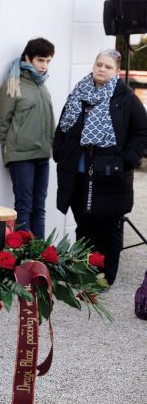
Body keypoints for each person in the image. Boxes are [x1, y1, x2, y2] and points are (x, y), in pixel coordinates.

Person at [53, 49, 147, 286]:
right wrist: (59, 151)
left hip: (110, 175)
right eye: (99, 64)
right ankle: (83, 271)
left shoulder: (125, 98)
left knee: (108, 228)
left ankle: (105, 276)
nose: (101, 69)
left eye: (107, 66)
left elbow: (142, 132)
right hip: (78, 173)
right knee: (84, 225)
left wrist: (126, 160)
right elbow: (63, 126)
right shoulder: (79, 92)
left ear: (116, 71)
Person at [0, 38, 56, 239]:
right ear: (27, 58)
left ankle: (40, 259)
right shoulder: (13, 84)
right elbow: (4, 122)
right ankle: (23, 259)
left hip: (43, 155)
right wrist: (8, 154)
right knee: (23, 208)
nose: (44, 66)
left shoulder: (42, 85)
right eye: (40, 60)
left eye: (48, 61)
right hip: (21, 157)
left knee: (39, 208)